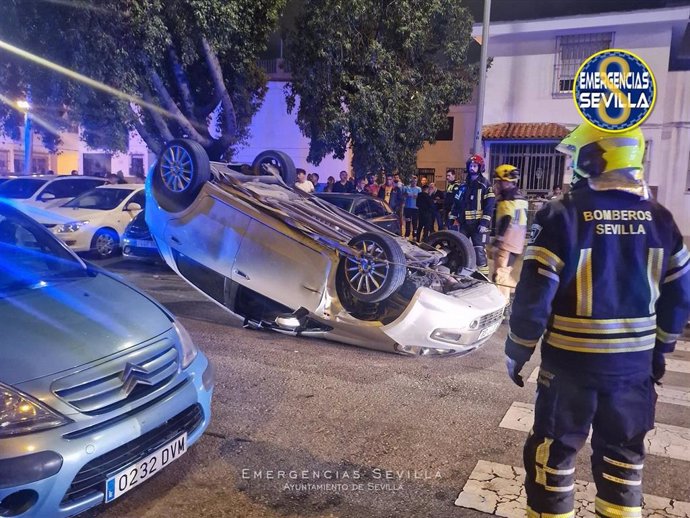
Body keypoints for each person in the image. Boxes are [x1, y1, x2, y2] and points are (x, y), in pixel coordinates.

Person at [504, 123, 690, 518]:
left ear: (593, 157)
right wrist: (660, 353)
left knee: (553, 461)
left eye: (576, 157)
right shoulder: (661, 219)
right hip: (634, 372)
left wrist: (517, 349)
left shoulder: (561, 215)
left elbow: (533, 294)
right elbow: (680, 297)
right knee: (623, 466)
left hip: (571, 370)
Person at [451, 155, 495, 276]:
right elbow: (457, 203)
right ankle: (459, 275)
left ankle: (483, 277)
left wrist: (484, 223)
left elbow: (489, 206)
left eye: (475, 166)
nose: (472, 168)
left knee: (479, 251)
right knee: (459, 249)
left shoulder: (485, 185)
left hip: (477, 225)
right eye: (470, 165)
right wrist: (453, 219)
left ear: (480, 167)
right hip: (463, 224)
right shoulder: (463, 186)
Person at [492, 164, 528, 305]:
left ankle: (503, 305)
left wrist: (498, 239)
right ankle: (520, 292)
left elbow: (507, 218)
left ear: (506, 181)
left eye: (499, 181)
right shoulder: (521, 196)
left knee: (500, 275)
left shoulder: (507, 198)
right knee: (504, 273)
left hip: (507, 242)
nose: (497, 184)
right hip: (517, 243)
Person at [402, 175, 421, 240]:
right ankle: (407, 234)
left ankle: (414, 235)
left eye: (416, 181)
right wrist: (406, 195)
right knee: (408, 221)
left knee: (415, 222)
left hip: (415, 208)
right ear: (411, 181)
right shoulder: (407, 187)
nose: (414, 182)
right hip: (408, 208)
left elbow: (421, 197)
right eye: (413, 181)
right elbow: (403, 195)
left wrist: (417, 197)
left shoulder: (419, 189)